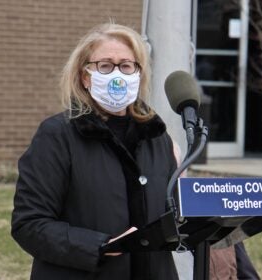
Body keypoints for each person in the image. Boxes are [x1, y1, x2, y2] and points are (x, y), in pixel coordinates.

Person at [11, 22, 179, 280]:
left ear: (138, 74)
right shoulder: (57, 136)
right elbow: (29, 224)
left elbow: (170, 218)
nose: (117, 74)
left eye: (126, 65)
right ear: (85, 76)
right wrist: (99, 246)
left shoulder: (157, 137)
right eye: (105, 65)